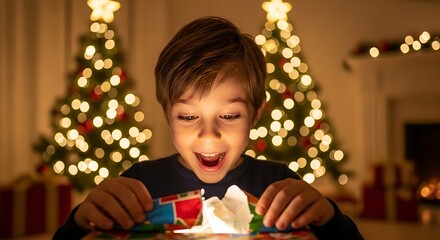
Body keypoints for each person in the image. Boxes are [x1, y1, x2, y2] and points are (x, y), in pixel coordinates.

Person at [53, 16, 364, 240]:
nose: (209, 134)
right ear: (167, 113)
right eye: (188, 117)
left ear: (256, 113)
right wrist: (80, 221)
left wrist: (329, 218)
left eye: (229, 116)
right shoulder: (139, 185)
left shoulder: (279, 185)